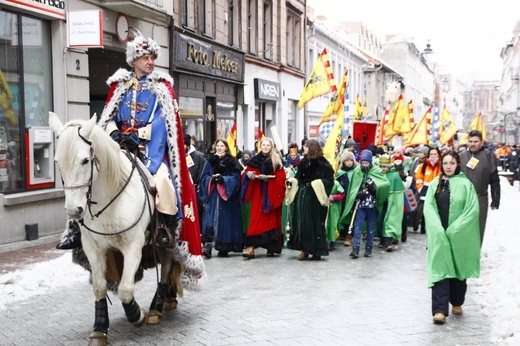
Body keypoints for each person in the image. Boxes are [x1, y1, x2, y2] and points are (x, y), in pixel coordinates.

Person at [56, 29, 205, 284]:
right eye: (145, 57)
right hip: (118, 150)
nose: (150, 61)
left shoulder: (162, 87)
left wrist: (144, 136)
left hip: (150, 151)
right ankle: (75, 231)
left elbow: (163, 124)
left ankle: (165, 231)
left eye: (152, 57)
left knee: (165, 184)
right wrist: (114, 136)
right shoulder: (119, 85)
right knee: (86, 180)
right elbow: (108, 118)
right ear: (134, 60)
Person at [424, 150, 480, 325]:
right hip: (440, 234)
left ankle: (457, 302)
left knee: (457, 267)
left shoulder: (466, 185)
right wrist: (438, 229)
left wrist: (455, 230)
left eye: (452, 163)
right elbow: (429, 207)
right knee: (440, 269)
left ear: (457, 165)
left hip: (458, 235)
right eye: (445, 163)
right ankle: (440, 309)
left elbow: (472, 210)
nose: (448, 166)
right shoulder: (435, 184)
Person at [287, 139, 334, 260]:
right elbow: (298, 177)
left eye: (306, 146)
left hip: (315, 198)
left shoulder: (323, 164)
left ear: (312, 148)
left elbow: (329, 181)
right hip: (302, 195)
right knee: (301, 222)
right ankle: (304, 249)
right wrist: (293, 182)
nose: (304, 148)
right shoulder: (303, 162)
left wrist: (318, 183)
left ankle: (316, 250)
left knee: (314, 223)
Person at [240, 137, 286, 259]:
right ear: (260, 146)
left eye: (268, 145)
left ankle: (271, 247)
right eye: (263, 145)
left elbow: (281, 179)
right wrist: (248, 175)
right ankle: (250, 248)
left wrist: (270, 181)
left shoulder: (276, 161)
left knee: (271, 221)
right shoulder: (254, 160)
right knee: (255, 220)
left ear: (271, 147)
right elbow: (246, 173)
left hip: (270, 196)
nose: (265, 147)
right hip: (257, 195)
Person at [199, 139, 243, 258]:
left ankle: (224, 246)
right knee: (210, 218)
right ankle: (207, 245)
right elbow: (203, 177)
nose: (219, 148)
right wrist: (210, 180)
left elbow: (236, 178)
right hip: (212, 194)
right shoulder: (210, 160)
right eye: (217, 145)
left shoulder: (232, 162)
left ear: (226, 147)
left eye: (222, 146)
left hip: (226, 196)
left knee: (225, 219)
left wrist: (224, 179)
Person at [459, 130, 500, 245]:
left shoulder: (488, 157)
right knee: (462, 228)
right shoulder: (460, 156)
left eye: (475, 141)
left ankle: (474, 255)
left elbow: (495, 181)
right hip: (463, 198)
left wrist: (495, 200)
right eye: (470, 141)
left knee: (478, 229)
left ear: (481, 142)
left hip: (480, 197)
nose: (472, 144)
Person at [348, 150, 390, 259]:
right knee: (358, 226)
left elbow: (384, 185)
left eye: (366, 163)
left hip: (372, 205)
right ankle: (355, 248)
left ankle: (369, 248)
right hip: (360, 205)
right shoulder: (357, 171)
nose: (364, 165)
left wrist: (374, 189)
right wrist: (357, 194)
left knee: (371, 227)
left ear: (370, 162)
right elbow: (353, 187)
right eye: (363, 163)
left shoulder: (376, 171)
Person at [377, 154, 405, 252]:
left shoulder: (394, 176)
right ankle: (382, 240)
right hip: (380, 203)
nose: (383, 168)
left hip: (391, 203)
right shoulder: (378, 175)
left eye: (385, 166)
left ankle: (388, 242)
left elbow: (398, 195)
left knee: (389, 222)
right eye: (381, 166)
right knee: (380, 222)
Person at [414, 146, 442, 234]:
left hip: (437, 191)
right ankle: (422, 226)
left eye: (435, 154)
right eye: (431, 154)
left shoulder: (442, 166)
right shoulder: (423, 166)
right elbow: (418, 178)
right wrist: (420, 189)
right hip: (425, 190)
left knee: (434, 210)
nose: (433, 156)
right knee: (422, 210)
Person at [335, 151, 358, 246]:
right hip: (342, 197)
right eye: (347, 160)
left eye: (351, 160)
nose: (349, 162)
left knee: (351, 214)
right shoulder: (340, 173)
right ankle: (342, 232)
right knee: (341, 213)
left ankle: (350, 234)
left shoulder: (356, 172)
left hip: (352, 197)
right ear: (343, 162)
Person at [185, 133, 206, 231]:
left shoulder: (199, 157)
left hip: (195, 190)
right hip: (182, 190)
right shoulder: (177, 155)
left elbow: (203, 173)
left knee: (197, 212)